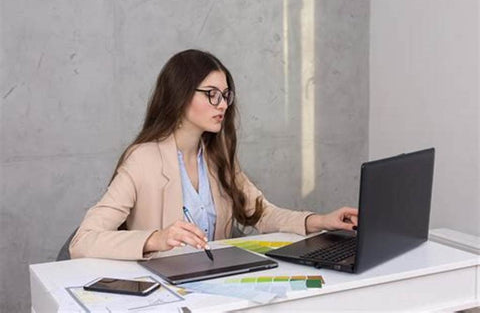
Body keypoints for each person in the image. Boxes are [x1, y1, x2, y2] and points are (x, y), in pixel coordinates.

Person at [69, 49, 358, 260]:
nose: (222, 104)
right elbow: (83, 241)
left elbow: (262, 213)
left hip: (215, 288)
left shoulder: (218, 156)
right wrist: (156, 239)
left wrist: (319, 221)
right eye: (211, 94)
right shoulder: (142, 160)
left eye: (225, 95)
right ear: (180, 95)